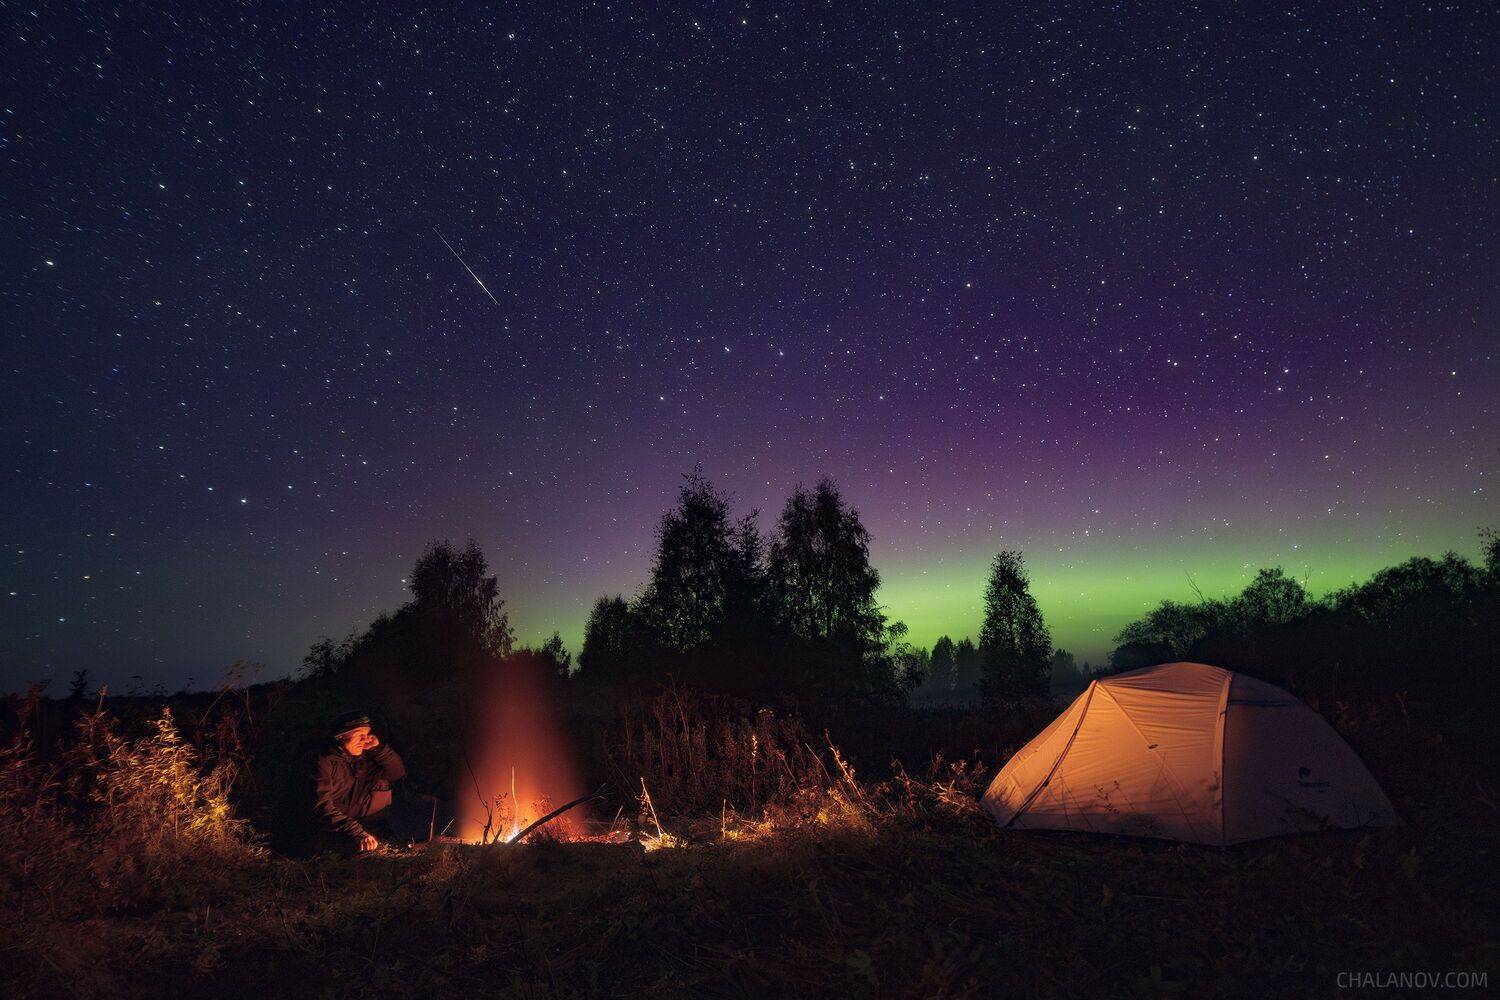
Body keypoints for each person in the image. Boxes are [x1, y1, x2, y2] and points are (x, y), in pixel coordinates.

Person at [315, 711, 406, 853]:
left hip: (356, 820)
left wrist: (378, 749)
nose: (365, 739)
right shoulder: (323, 761)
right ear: (341, 736)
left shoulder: (360, 759)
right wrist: (356, 832)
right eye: (359, 735)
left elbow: (396, 772)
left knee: (382, 783)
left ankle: (380, 830)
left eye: (367, 734)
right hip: (327, 827)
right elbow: (321, 806)